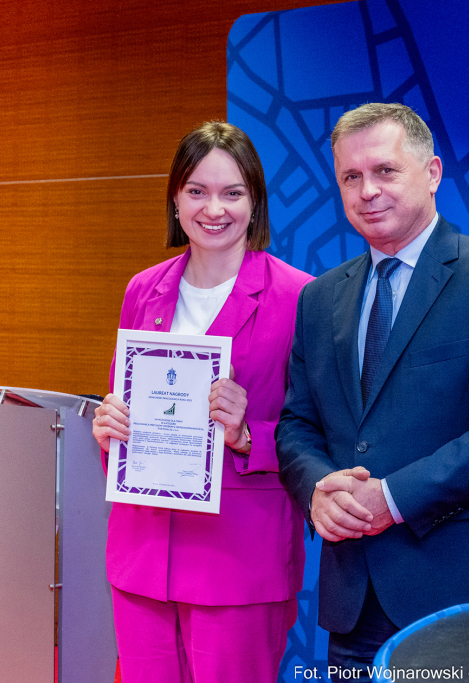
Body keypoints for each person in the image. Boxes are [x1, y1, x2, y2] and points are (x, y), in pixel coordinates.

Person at [276, 102, 469, 679]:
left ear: (431, 173)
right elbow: (297, 425)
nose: (367, 191)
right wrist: (317, 489)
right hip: (352, 603)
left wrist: (396, 496)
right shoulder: (320, 297)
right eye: (351, 178)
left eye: (385, 171)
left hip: (460, 601)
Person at [92, 121, 312, 683]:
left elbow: (318, 434)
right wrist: (110, 426)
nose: (214, 208)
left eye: (232, 192)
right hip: (143, 557)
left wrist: (247, 434)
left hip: (238, 564)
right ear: (175, 198)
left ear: (255, 202)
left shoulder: (299, 297)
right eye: (197, 191)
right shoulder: (143, 290)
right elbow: (127, 402)